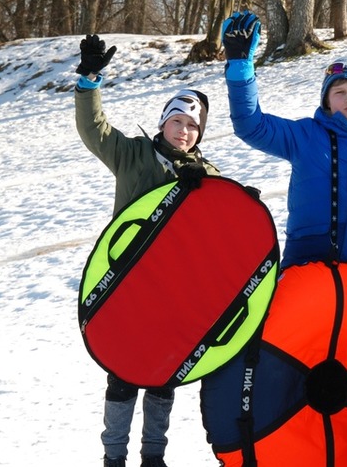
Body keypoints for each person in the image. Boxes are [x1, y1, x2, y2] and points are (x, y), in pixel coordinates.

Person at [75, 34, 219, 467]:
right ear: (163, 123)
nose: (185, 130)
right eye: (178, 121)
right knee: (122, 374)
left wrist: (233, 201)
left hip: (175, 294)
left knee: (163, 378)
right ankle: (113, 457)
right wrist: (89, 82)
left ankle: (153, 456)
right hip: (128, 285)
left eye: (193, 126)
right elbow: (93, 130)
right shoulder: (133, 155)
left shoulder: (207, 175)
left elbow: (221, 234)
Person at [221, 10, 347, 277]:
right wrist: (240, 69)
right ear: (327, 101)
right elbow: (251, 125)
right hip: (304, 272)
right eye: (339, 92)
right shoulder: (305, 135)